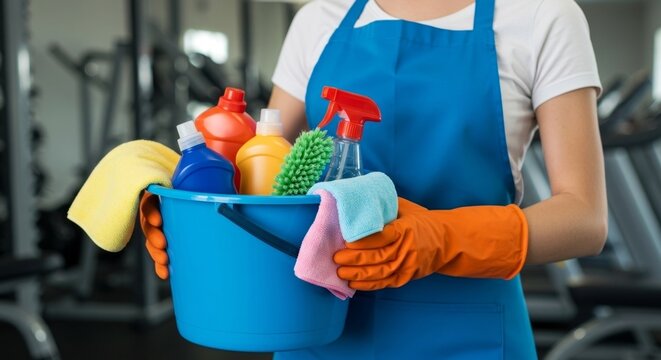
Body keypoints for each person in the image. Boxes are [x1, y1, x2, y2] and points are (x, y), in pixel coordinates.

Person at [140, 0, 607, 358]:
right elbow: (258, 175)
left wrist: (441, 239)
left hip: (473, 330)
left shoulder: (542, 15)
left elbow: (584, 217)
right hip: (317, 324)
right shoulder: (320, 18)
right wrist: (190, 224)